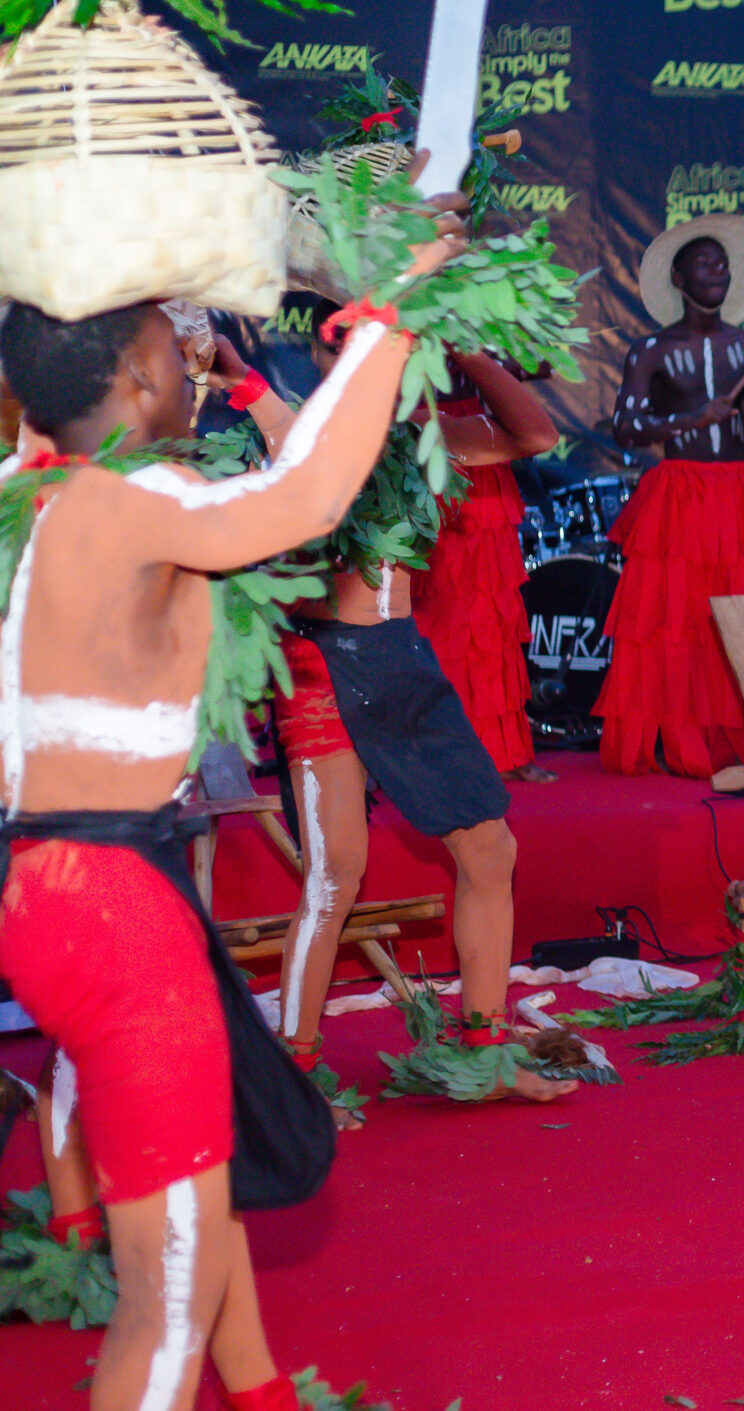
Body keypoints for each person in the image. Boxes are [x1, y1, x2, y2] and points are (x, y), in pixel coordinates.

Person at [0, 261, 423, 1410]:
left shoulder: (29, 496)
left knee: (192, 1177)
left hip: (47, 893)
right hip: (115, 909)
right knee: (166, 1294)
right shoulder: (133, 500)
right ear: (137, 381)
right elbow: (306, 498)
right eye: (172, 354)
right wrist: (386, 324)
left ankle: (261, 1389)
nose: (191, 370)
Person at [237, 298, 574, 1109]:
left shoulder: (424, 434)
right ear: (327, 355)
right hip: (321, 662)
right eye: (354, 343)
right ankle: (297, 1078)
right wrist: (243, 382)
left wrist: (468, 348)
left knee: (490, 849)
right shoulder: (299, 433)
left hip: (401, 657)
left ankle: (484, 1050)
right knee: (336, 873)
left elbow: (535, 436)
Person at [597, 217, 744, 777]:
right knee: (677, 620)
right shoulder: (651, 350)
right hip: (680, 495)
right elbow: (625, 427)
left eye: (723, 264)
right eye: (704, 263)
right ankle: (679, 740)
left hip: (739, 494)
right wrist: (692, 418)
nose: (717, 271)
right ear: (678, 276)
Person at [411, 361, 558, 782]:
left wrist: (498, 362)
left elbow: (540, 362)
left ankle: (506, 752)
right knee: (434, 615)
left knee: (492, 619)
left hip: (481, 445)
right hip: (415, 441)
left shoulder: (482, 323)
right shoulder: (390, 326)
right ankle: (427, 753)